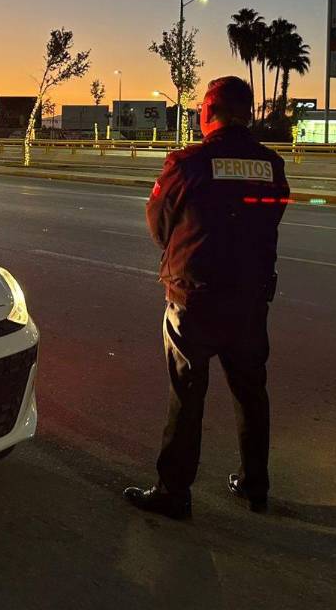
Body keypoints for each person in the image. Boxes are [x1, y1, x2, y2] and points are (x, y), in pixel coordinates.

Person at [124, 76, 289, 519]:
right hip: (251, 300)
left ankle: (173, 492)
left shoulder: (187, 163)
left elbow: (159, 226)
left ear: (208, 113)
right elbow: (270, 220)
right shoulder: (271, 165)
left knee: (187, 395)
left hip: (193, 300)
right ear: (248, 113)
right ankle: (256, 486)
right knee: (252, 393)